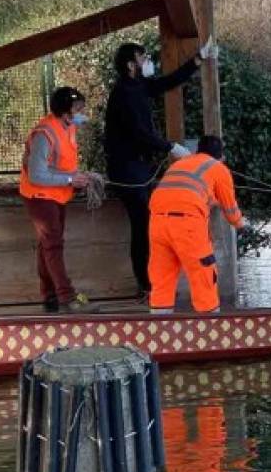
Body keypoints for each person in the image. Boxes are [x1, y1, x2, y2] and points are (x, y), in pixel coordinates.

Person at [104, 39, 219, 303]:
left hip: (140, 166)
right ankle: (146, 286)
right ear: (131, 65)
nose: (148, 62)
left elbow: (168, 82)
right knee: (143, 224)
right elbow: (140, 132)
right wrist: (170, 147)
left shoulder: (139, 86)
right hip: (126, 169)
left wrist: (197, 60)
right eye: (143, 59)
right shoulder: (123, 93)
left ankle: (153, 285)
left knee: (148, 224)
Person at [19, 87, 98, 314]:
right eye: (77, 108)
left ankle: (50, 297)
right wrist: (71, 179)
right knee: (53, 245)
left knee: (48, 245)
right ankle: (67, 297)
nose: (82, 111)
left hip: (57, 193)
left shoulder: (67, 126)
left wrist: (79, 176)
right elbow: (36, 175)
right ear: (65, 112)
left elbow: (63, 163)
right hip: (40, 196)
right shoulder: (44, 134)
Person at [148, 135, 247, 314]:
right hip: (187, 225)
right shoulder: (219, 169)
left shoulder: (179, 165)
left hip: (157, 222)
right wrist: (241, 225)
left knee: (162, 276)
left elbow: (187, 192)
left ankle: (159, 325)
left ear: (198, 150)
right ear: (221, 157)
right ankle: (210, 325)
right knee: (204, 274)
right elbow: (230, 209)